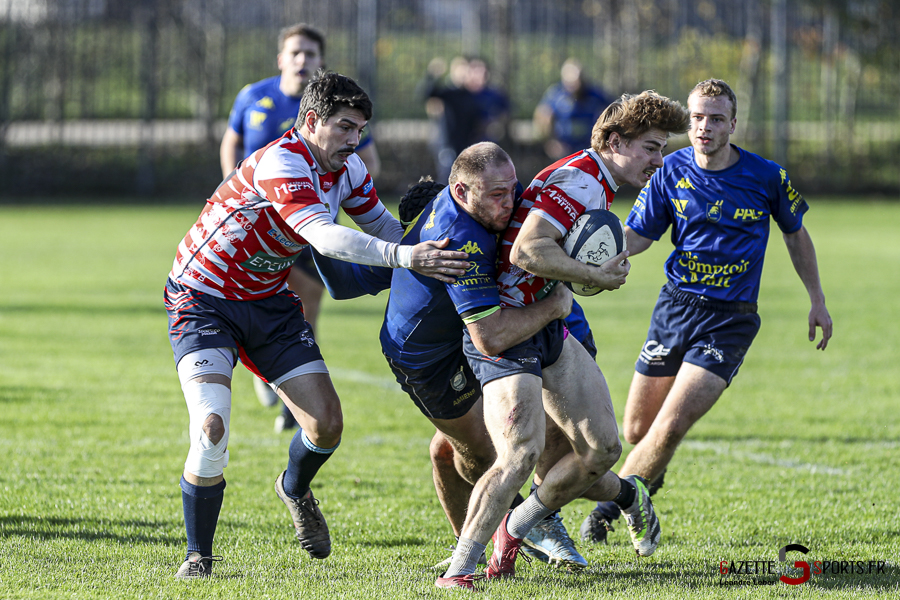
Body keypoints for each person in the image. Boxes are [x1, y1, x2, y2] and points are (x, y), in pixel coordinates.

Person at [164, 71, 469, 579]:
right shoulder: (282, 162)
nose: (354, 140)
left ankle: (294, 487)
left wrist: (436, 247)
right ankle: (199, 557)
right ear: (311, 121)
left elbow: (382, 227)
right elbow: (324, 238)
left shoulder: (348, 170)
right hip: (203, 301)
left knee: (327, 425)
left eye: (360, 130)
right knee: (211, 426)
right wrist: (405, 256)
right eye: (345, 127)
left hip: (269, 304)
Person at [437, 91, 691, 589]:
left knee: (602, 448)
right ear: (615, 142)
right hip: (510, 330)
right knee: (520, 453)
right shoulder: (581, 181)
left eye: (662, 150)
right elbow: (527, 251)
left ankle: (515, 527)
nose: (658, 161)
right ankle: (460, 570)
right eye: (650, 148)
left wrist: (574, 279)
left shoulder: (594, 179)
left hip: (546, 324)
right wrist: (592, 274)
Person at [580, 79, 834, 544]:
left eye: (716, 119)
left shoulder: (766, 176)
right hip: (675, 309)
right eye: (697, 117)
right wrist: (591, 260)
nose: (704, 127)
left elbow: (796, 234)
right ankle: (648, 479)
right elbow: (638, 235)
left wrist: (817, 299)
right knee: (637, 429)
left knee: (671, 425)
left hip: (731, 318)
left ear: (732, 124)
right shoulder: (669, 170)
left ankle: (606, 514)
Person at [313, 173, 596, 572]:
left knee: (549, 447)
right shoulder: (425, 252)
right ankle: (473, 549)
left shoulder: (485, 244)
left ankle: (549, 521)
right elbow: (343, 284)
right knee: (448, 452)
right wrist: (315, 224)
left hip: (550, 344)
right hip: (478, 353)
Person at [217, 23, 382, 430]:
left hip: (312, 225)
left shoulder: (338, 109)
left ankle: (293, 392)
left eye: (310, 53)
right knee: (253, 295)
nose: (302, 59)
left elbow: (368, 160)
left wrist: (350, 188)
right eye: (295, 52)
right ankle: (262, 368)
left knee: (305, 305)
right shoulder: (253, 96)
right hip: (259, 228)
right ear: (281, 58)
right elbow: (231, 142)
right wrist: (233, 187)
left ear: (320, 61)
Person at [533, 57, 613, 160]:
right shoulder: (556, 95)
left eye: (578, 80)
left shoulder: (596, 95)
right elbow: (542, 117)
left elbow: (614, 112)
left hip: (590, 151)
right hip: (564, 152)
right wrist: (551, 142)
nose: (575, 85)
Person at [420, 56, 483, 183]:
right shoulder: (447, 93)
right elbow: (426, 93)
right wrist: (432, 75)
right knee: (447, 177)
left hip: (465, 144)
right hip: (447, 144)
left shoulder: (470, 95)